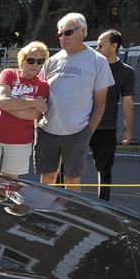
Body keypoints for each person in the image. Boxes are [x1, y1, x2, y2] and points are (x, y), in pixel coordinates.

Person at [34, 12, 114, 190]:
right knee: (47, 178)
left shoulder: (98, 61)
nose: (63, 38)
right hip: (47, 131)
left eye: (68, 33)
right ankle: (46, 215)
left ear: (83, 32)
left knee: (72, 180)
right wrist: (37, 124)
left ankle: (69, 215)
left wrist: (87, 132)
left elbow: (100, 104)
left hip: (77, 132)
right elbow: (40, 95)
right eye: (60, 34)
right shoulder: (52, 61)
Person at [0, 41, 49, 182]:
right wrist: (32, 102)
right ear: (22, 61)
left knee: (9, 183)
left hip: (20, 140)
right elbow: (4, 100)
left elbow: (33, 114)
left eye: (40, 61)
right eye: (31, 60)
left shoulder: (42, 85)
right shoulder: (9, 74)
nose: (35, 65)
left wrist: (3, 103)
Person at [89, 29, 134, 201]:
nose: (97, 48)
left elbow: (127, 101)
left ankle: (103, 205)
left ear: (114, 46)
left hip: (106, 128)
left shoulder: (126, 72)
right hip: (80, 124)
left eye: (101, 45)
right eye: (96, 45)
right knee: (66, 167)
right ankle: (62, 203)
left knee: (104, 169)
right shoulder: (90, 66)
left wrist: (128, 129)